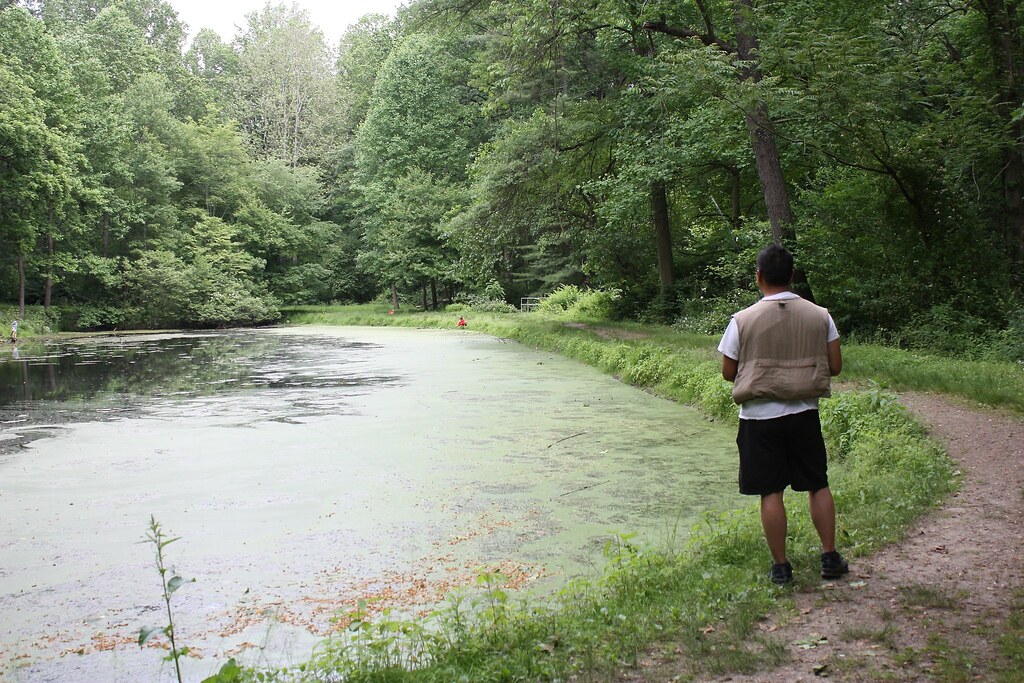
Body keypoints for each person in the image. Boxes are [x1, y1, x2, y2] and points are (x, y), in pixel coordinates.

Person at [718, 244, 848, 585]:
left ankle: (781, 567)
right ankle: (830, 557)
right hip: (804, 413)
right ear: (791, 276)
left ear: (758, 276)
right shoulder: (821, 316)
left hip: (759, 418)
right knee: (817, 483)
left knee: (771, 490)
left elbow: (728, 372)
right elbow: (834, 366)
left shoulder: (742, 320)